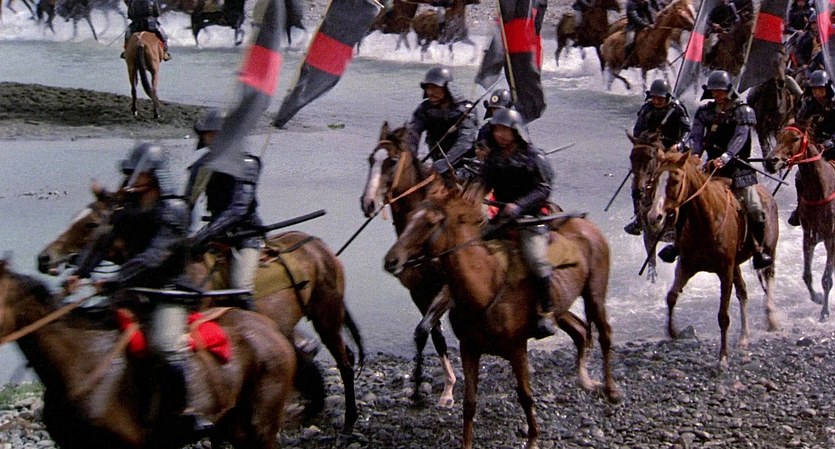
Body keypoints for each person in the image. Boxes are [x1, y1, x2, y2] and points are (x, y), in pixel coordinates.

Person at [65, 143, 211, 432]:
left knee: (166, 345)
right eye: (131, 172)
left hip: (167, 291)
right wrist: (80, 272)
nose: (133, 177)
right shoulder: (128, 208)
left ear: (154, 175)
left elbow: (154, 256)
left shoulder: (175, 210)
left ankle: (185, 413)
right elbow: (104, 241)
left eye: (139, 173)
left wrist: (117, 279)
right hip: (132, 288)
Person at [659, 70, 772, 268]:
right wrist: (695, 153)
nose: (717, 94)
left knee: (754, 207)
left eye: (720, 90)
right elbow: (696, 135)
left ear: (729, 90)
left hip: (738, 169)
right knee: (686, 200)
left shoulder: (743, 111)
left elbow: (740, 137)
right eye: (714, 91)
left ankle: (758, 250)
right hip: (712, 168)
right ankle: (677, 244)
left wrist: (726, 157)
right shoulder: (705, 111)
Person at [478, 108, 557, 338]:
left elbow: (544, 189)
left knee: (536, 259)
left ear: (516, 132)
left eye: (505, 130)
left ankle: (547, 311)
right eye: (497, 130)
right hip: (502, 219)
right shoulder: (493, 158)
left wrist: (520, 206)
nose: (500, 135)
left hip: (530, 219)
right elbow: (484, 184)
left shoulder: (534, 157)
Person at [183, 109, 264, 311]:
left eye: (216, 134)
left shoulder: (247, 164)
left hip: (244, 235)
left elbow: (238, 210)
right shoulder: (201, 166)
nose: (211, 139)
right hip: (214, 235)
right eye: (208, 135)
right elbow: (186, 205)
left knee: (240, 286)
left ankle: (258, 322)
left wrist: (204, 234)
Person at [624, 79, 691, 235]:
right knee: (637, 179)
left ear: (667, 97)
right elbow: (638, 131)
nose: (656, 101)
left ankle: (682, 219)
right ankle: (639, 217)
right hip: (652, 148)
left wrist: (679, 145)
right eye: (654, 98)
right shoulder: (646, 109)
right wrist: (647, 140)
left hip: (673, 149)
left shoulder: (677, 109)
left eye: (660, 98)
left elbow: (688, 131)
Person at [408, 66, 479, 175]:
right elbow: (413, 133)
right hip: (436, 163)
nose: (430, 92)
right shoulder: (425, 109)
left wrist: (445, 163)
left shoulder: (465, 111)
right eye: (428, 88)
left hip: (464, 167)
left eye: (435, 88)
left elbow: (465, 143)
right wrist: (410, 156)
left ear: (447, 88)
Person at [786, 70, 835, 225]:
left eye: (820, 89)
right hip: (815, 151)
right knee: (800, 176)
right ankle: (800, 208)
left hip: (833, 151)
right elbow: (799, 125)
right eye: (814, 89)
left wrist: (830, 142)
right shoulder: (808, 105)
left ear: (827, 88)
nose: (817, 93)